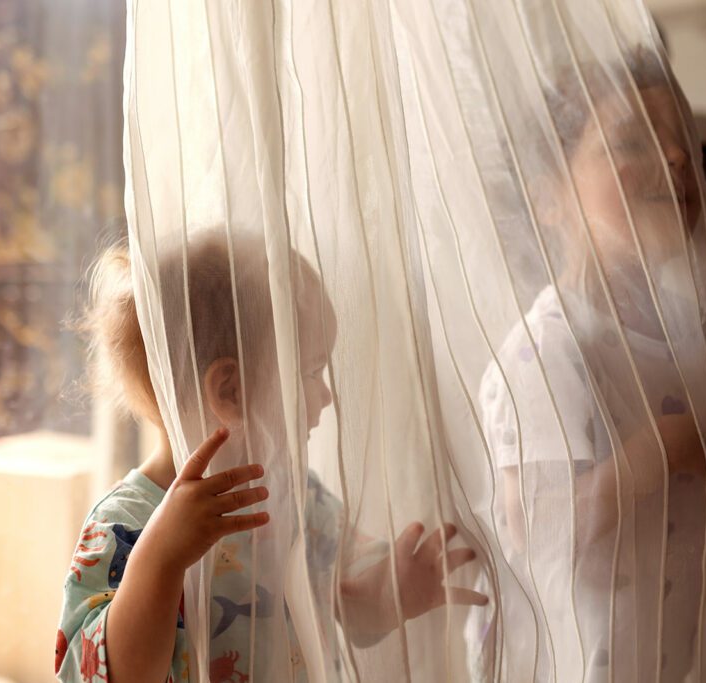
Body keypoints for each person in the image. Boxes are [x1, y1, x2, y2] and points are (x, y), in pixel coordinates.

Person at [56, 230, 487, 683]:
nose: (325, 395)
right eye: (310, 372)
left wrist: (393, 592)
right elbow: (105, 675)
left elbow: (347, 603)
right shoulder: (123, 525)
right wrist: (160, 559)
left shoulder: (297, 497)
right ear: (231, 391)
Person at [469, 49, 706, 681]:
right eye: (632, 141)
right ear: (549, 197)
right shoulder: (549, 349)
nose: (677, 159)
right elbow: (541, 535)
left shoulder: (694, 331)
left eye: (681, 140)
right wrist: (665, 451)